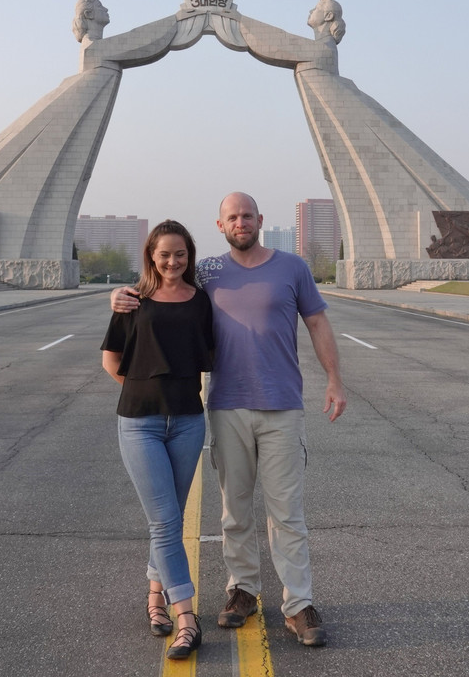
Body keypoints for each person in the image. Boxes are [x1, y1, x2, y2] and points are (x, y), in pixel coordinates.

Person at [112, 192, 347, 647]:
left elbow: (317, 323)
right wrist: (116, 295)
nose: (241, 222)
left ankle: (299, 605)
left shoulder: (292, 268)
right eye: (232, 217)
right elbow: (160, 288)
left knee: (287, 513)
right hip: (225, 406)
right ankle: (242, 591)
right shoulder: (207, 273)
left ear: (261, 220)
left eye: (247, 215)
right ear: (220, 226)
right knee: (234, 511)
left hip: (282, 406)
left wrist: (335, 380)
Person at [101, 220, 215, 660]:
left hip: (188, 421)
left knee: (167, 516)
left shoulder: (200, 302)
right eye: (164, 254)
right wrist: (145, 388)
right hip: (140, 423)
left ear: (189, 256)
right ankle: (187, 617)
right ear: (151, 255)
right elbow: (112, 362)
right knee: (166, 521)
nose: (173, 261)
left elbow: (211, 355)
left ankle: (155, 598)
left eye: (181, 254)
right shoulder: (132, 301)